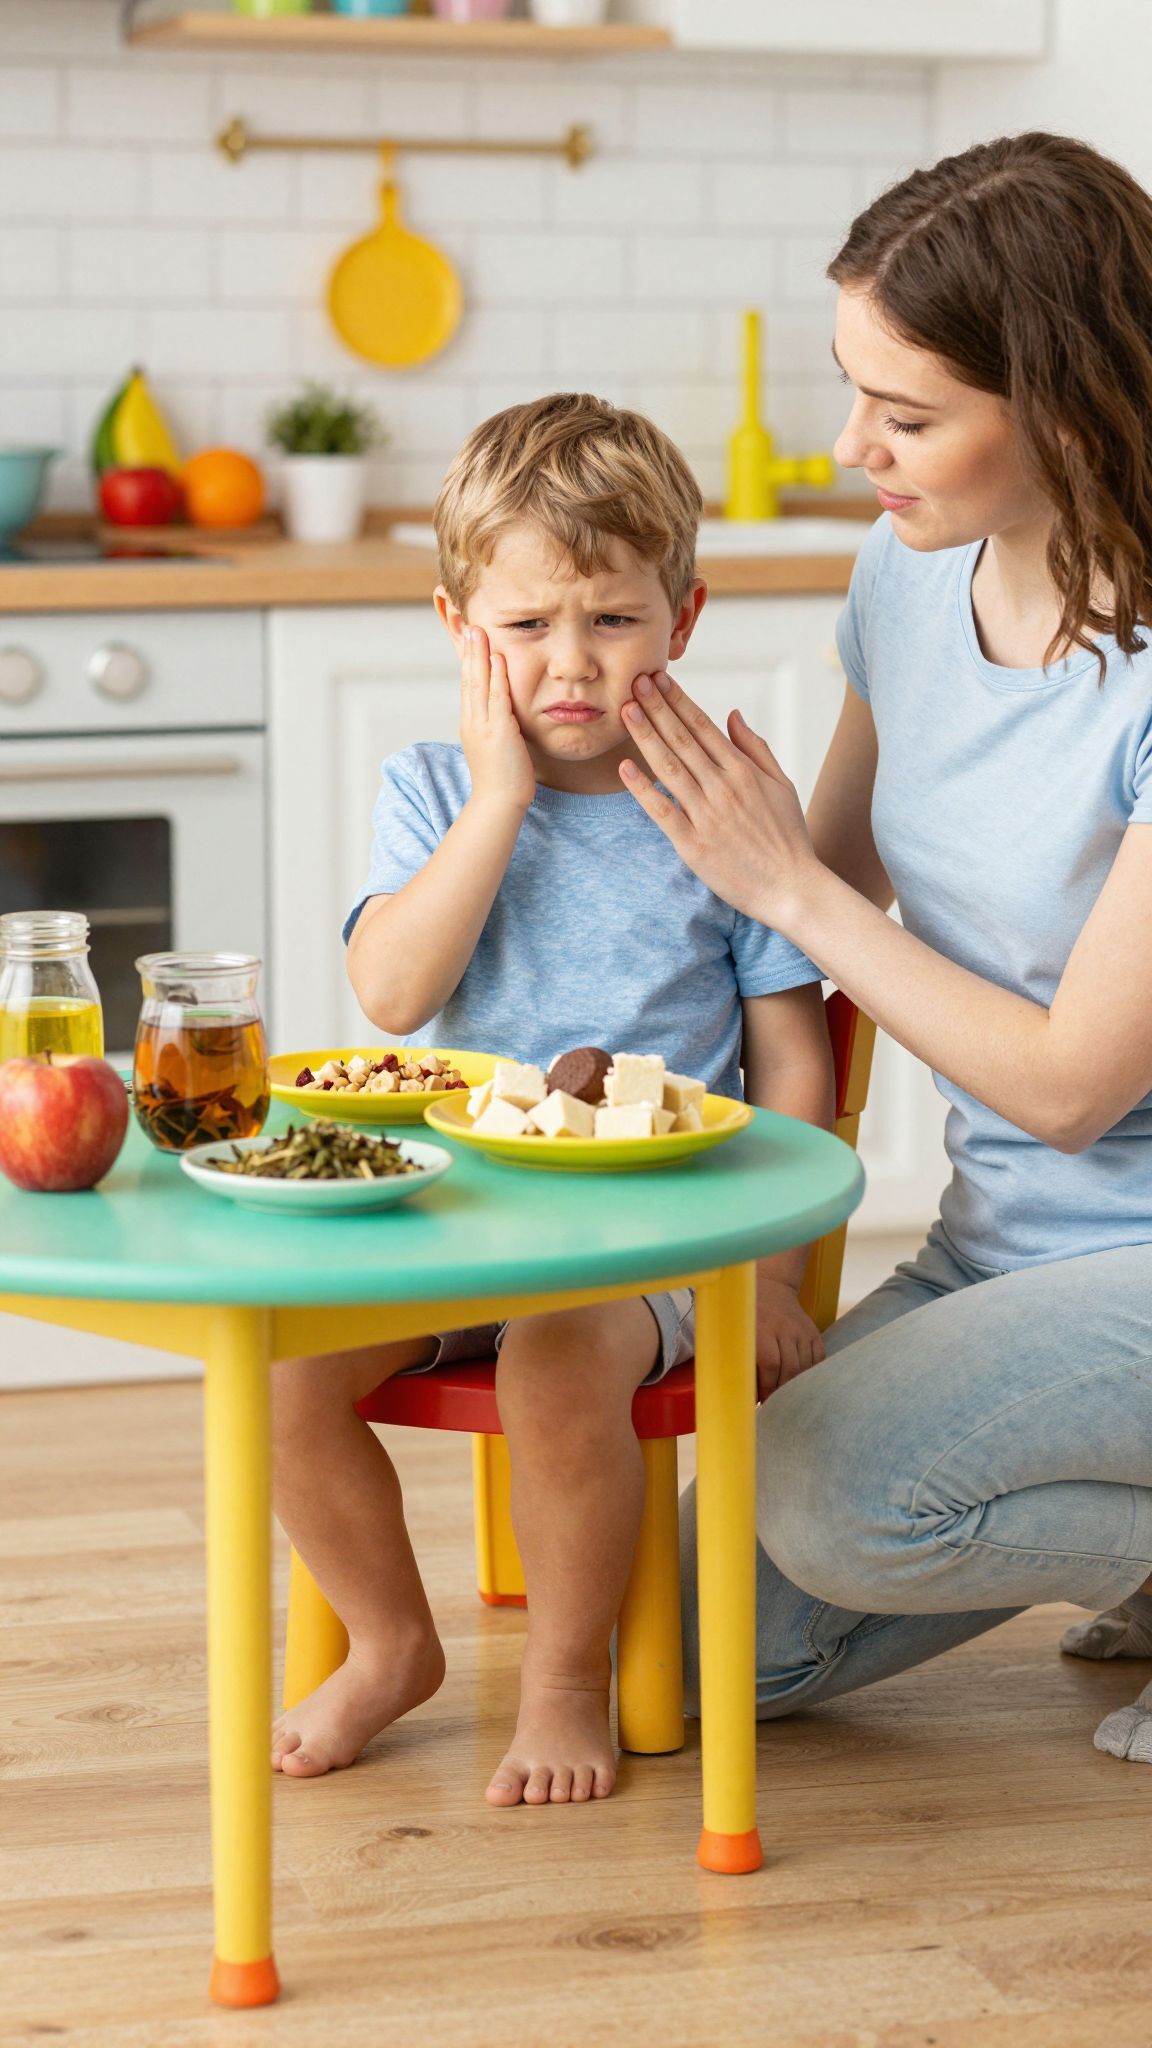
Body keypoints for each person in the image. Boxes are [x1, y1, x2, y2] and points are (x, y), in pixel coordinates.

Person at [614, 132, 1152, 1763]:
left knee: (840, 1502)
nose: (855, 447)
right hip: (1003, 1246)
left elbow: (1069, 1085)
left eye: (906, 417)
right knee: (702, 1662)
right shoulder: (908, 577)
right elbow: (807, 885)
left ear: (1059, 406)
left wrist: (794, 894)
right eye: (859, 394)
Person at [269, 393, 834, 1805]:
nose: (568, 666)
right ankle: (394, 1644)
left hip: (648, 1246)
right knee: (285, 1371)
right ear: (461, 630)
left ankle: (569, 1673)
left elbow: (796, 1058)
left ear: (684, 617)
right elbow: (391, 998)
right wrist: (499, 801)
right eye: (525, 630)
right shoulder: (435, 787)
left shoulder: (716, 810)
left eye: (611, 622)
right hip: (456, 1222)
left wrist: (770, 1271)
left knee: (556, 1363)